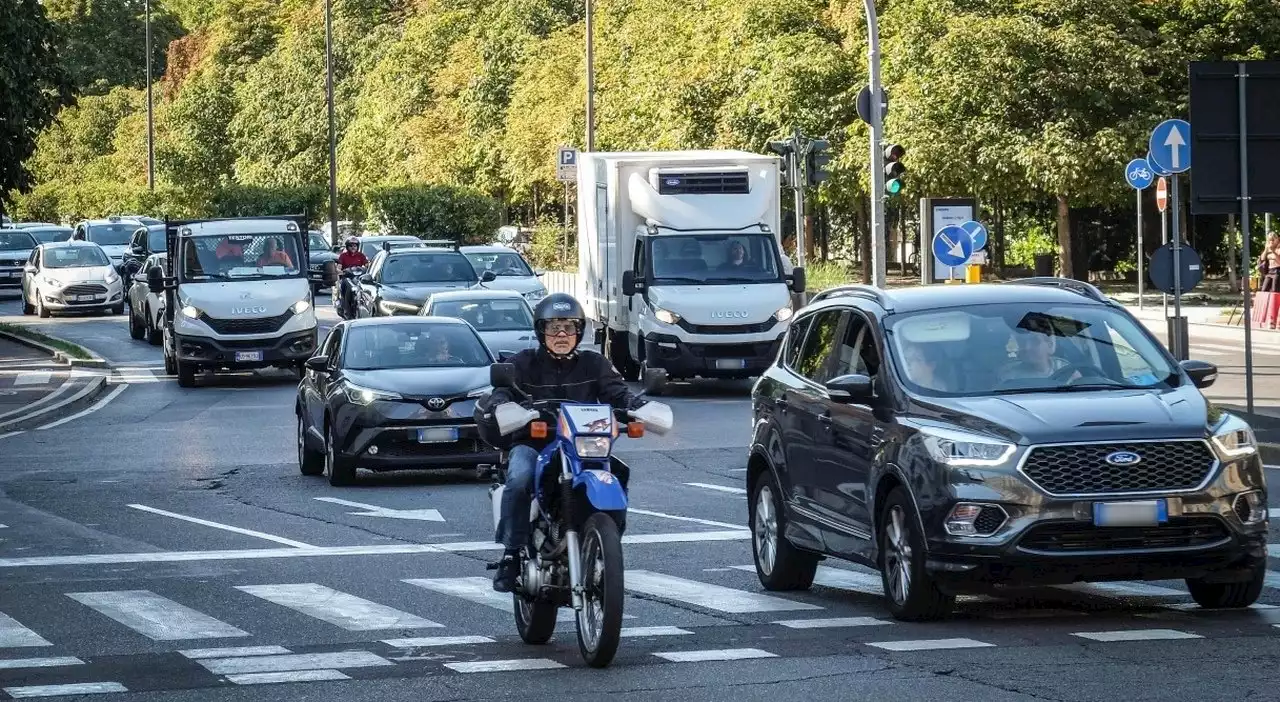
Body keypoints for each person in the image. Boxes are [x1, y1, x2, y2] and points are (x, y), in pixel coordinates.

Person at [477, 293, 646, 593]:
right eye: (554, 328)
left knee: (619, 473)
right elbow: (502, 391)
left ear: (580, 331)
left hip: (582, 445)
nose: (562, 335)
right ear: (541, 331)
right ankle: (511, 554)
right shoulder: (522, 364)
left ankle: (605, 545)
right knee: (519, 479)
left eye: (569, 327)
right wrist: (502, 405)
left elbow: (617, 392)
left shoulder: (594, 363)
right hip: (534, 444)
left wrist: (636, 405)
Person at [336, 237, 368, 315]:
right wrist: (340, 271)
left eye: (355, 245)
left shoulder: (361, 255)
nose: (353, 247)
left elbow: (367, 265)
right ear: (347, 246)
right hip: (346, 278)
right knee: (347, 284)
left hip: (358, 278)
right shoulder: (343, 256)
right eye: (351, 245)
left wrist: (367, 269)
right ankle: (346, 308)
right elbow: (338, 267)